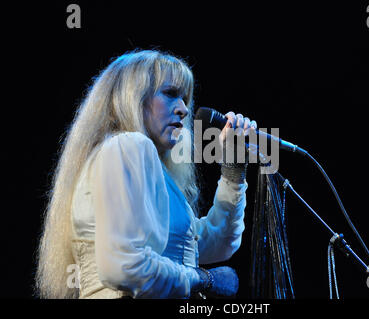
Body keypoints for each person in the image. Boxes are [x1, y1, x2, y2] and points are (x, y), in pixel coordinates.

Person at [35, 49, 258, 299]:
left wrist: (233, 168)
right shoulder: (128, 146)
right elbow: (125, 265)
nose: (184, 110)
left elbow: (214, 243)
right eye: (171, 94)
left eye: (185, 98)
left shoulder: (138, 163)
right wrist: (203, 279)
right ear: (133, 97)